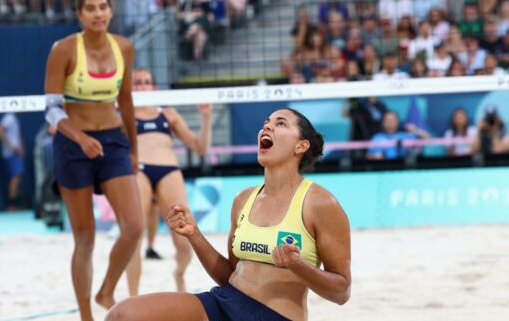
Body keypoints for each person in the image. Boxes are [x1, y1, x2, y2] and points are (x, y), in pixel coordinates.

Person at [106, 108, 352, 321]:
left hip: (275, 315)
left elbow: (341, 292)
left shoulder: (321, 203)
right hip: (224, 302)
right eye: (266, 123)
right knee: (123, 314)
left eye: (280, 124)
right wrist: (195, 235)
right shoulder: (243, 199)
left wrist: (297, 266)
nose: (267, 127)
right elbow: (229, 276)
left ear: (301, 145)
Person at [44, 0, 143, 320]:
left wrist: (132, 149)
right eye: (90, 8)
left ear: (111, 11)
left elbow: (126, 100)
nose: (98, 13)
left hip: (113, 141)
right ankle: (86, 314)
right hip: (73, 144)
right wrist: (80, 137)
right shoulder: (64, 49)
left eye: (103, 7)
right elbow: (52, 110)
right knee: (84, 237)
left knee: (134, 226)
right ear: (79, 14)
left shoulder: (124, 47)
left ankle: (106, 290)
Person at [125, 67, 212, 296]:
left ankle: (179, 273)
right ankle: (133, 297)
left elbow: (200, 148)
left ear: (153, 87)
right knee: (134, 236)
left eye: (146, 82)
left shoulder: (168, 113)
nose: (142, 86)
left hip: (168, 170)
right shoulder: (123, 112)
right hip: (138, 169)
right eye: (137, 82)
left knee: (185, 239)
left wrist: (206, 117)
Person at [0, 113, 24, 211]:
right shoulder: (9, 117)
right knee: (15, 177)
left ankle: (13, 204)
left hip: (15, 153)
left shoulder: (14, 118)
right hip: (11, 153)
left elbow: (16, 136)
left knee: (16, 177)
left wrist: (20, 148)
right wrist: (10, 146)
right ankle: (11, 205)